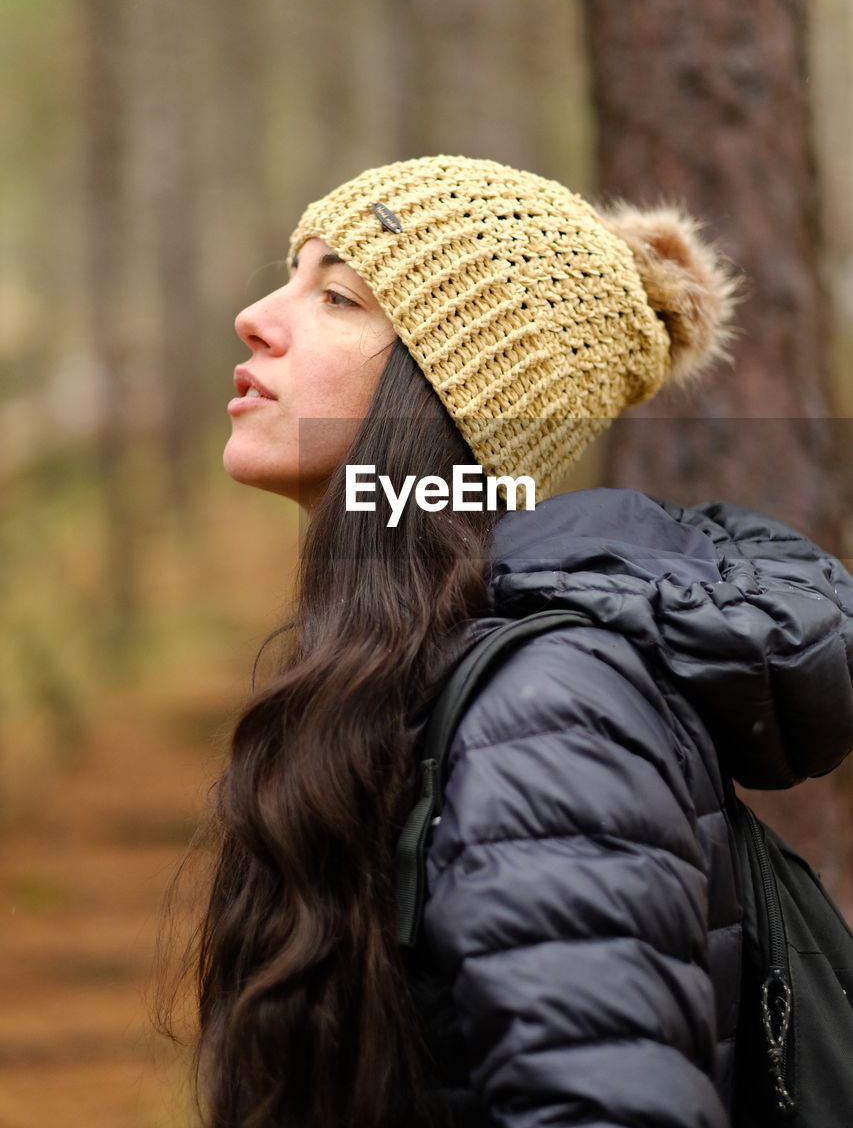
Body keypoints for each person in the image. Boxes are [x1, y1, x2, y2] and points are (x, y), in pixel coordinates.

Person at [194, 156, 853, 1128]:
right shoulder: (397, 683)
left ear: (456, 394)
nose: (259, 315)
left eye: (337, 295)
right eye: (291, 275)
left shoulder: (546, 710)